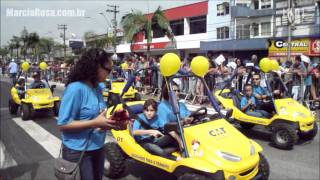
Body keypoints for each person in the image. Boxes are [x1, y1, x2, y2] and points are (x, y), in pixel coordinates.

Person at [57, 48, 128, 180]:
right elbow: (63, 124)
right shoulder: (75, 89)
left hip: (98, 147)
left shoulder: (97, 88)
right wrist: (95, 122)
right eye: (108, 70)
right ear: (96, 66)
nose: (110, 73)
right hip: (78, 151)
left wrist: (112, 124)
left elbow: (98, 121)